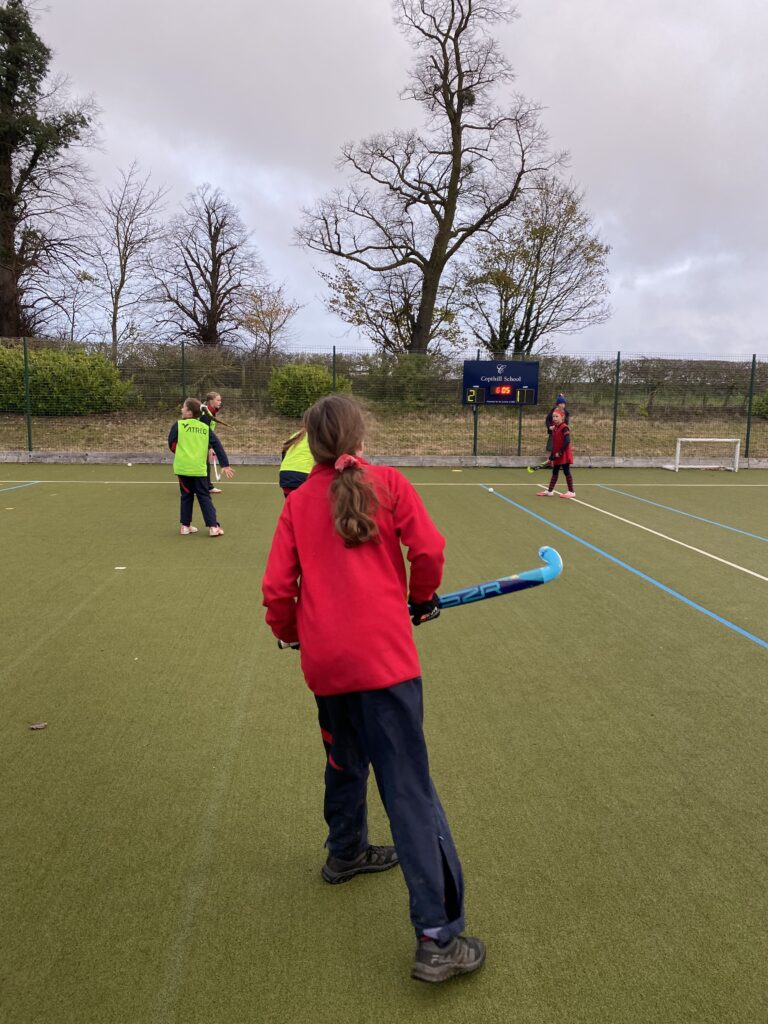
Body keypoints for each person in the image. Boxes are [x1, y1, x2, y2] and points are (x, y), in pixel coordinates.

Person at [261, 394, 485, 984]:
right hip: (384, 663)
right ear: (362, 438)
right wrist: (420, 598)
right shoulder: (388, 483)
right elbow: (429, 551)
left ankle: (345, 852)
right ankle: (438, 938)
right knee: (408, 789)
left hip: (327, 665)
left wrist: (289, 633)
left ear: (310, 443)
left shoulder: (297, 501)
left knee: (342, 758)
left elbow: (278, 591)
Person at [168, 397, 234, 536]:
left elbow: (172, 444)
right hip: (199, 468)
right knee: (204, 496)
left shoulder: (178, 425)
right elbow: (217, 445)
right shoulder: (205, 428)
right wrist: (225, 464)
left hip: (182, 468)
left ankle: (185, 526)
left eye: (184, 407)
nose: (181, 409)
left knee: (186, 495)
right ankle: (213, 527)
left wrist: (182, 454)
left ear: (190, 413)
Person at [537, 406, 575, 498]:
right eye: (553, 417)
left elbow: (567, 441)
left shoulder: (564, 428)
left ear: (562, 417)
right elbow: (555, 443)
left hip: (564, 453)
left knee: (566, 471)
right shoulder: (555, 428)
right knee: (555, 471)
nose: (554, 418)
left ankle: (571, 492)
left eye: (557, 416)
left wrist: (560, 452)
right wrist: (552, 455)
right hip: (557, 453)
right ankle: (550, 491)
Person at [279, 420, 315, 497]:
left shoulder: (296, 435)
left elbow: (284, 453)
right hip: (302, 475)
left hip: (285, 475)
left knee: (293, 506)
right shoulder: (317, 436)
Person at [200, 391, 224, 494]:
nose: (220, 402)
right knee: (201, 465)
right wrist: (210, 446)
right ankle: (200, 487)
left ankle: (208, 486)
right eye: (218, 400)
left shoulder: (211, 411)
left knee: (205, 463)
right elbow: (203, 432)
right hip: (198, 442)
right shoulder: (205, 414)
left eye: (220, 400)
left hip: (204, 441)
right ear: (211, 401)